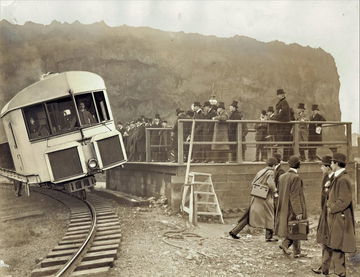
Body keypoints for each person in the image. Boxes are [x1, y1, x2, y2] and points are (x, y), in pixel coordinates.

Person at [313, 153, 356, 277]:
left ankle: (340, 274)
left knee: (337, 247)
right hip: (334, 217)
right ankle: (329, 270)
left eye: (332, 162)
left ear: (337, 164)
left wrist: (331, 207)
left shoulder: (343, 179)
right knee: (333, 244)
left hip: (339, 217)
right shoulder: (337, 177)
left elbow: (344, 200)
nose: (330, 165)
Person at [229, 157, 278, 241]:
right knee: (270, 215)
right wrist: (275, 191)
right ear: (274, 165)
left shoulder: (261, 171)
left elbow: (253, 183)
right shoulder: (271, 172)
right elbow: (271, 184)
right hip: (265, 197)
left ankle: (234, 231)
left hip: (256, 196)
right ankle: (269, 237)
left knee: (249, 215)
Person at [275, 155, 307, 258]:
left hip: (284, 207)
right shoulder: (296, 178)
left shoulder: (282, 176)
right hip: (292, 208)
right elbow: (294, 196)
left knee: (294, 228)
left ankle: (296, 252)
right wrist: (298, 211)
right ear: (299, 165)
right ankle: (286, 245)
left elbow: (280, 192)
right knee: (297, 227)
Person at [312, 155, 334, 275]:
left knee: (329, 239)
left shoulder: (333, 178)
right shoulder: (325, 176)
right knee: (325, 239)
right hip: (324, 212)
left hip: (330, 212)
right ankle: (324, 266)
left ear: (328, 166)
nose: (320, 168)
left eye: (322, 166)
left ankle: (326, 267)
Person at [271, 89, 291, 161]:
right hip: (282, 126)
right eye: (280, 94)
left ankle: (285, 159)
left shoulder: (284, 102)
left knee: (284, 143)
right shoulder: (282, 102)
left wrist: (274, 118)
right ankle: (283, 158)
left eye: (282, 94)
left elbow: (283, 113)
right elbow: (280, 113)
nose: (282, 95)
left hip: (284, 126)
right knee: (282, 143)